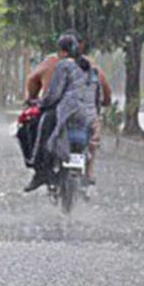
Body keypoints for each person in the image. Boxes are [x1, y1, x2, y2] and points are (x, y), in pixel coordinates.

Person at [25, 32, 111, 183]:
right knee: (93, 140)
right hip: (89, 115)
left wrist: (40, 104)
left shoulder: (62, 64)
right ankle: (89, 173)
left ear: (62, 51)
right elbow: (100, 91)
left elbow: (54, 93)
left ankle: (40, 170)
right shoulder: (91, 66)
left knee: (44, 124)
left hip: (68, 113)